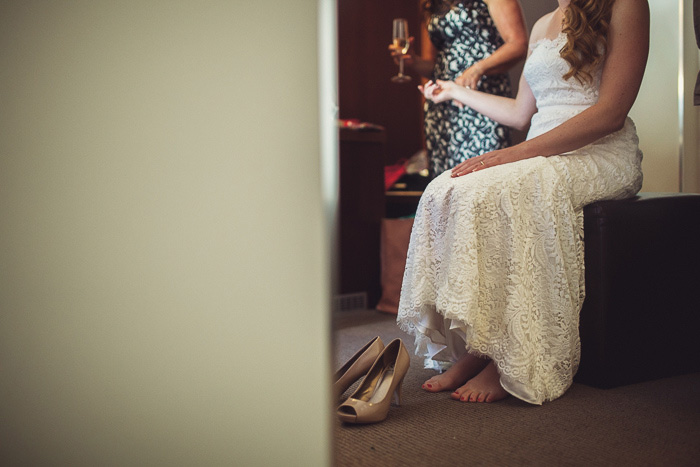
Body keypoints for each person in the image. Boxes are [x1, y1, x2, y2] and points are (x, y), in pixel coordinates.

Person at [396, 0, 649, 405]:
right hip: (539, 151)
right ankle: (480, 345)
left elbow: (611, 113)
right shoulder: (543, 24)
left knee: (514, 188)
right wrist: (456, 90)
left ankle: (506, 359)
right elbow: (519, 114)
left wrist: (518, 155)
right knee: (447, 186)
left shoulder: (625, 5)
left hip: (600, 152)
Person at [390, 0, 528, 177]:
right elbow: (436, 66)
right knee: (448, 181)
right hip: (444, 109)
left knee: (485, 178)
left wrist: (478, 68)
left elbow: (518, 44)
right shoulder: (432, 2)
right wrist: (414, 61)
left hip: (483, 100)